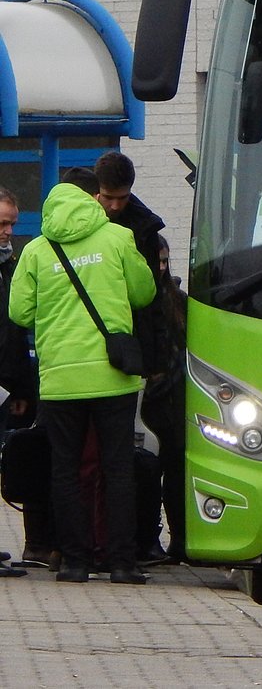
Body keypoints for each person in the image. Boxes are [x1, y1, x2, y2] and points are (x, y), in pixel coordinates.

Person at [8, 181, 156, 584]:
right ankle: (122, 563)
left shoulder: (37, 250)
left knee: (66, 470)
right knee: (118, 468)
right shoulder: (118, 236)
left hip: (60, 378)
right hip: (113, 375)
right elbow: (144, 292)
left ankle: (75, 562)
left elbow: (20, 312)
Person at [92, 151, 173, 563]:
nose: (115, 206)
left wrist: (155, 360)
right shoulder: (85, 222)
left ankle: (135, 540)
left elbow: (149, 303)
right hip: (93, 353)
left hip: (129, 355)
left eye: (122, 198)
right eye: (109, 198)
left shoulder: (142, 228)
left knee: (132, 455)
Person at [137, 234, 186, 562]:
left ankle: (180, 538)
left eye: (166, 260)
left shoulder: (178, 300)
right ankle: (148, 539)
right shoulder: (139, 298)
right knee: (149, 471)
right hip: (149, 398)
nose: (162, 267)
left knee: (177, 470)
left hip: (178, 397)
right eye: (158, 260)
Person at [0, 187, 34, 577]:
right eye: (2, 223)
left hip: (5, 383)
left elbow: (15, 332)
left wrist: (21, 389)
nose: (8, 231)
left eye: (11, 223)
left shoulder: (10, 265)